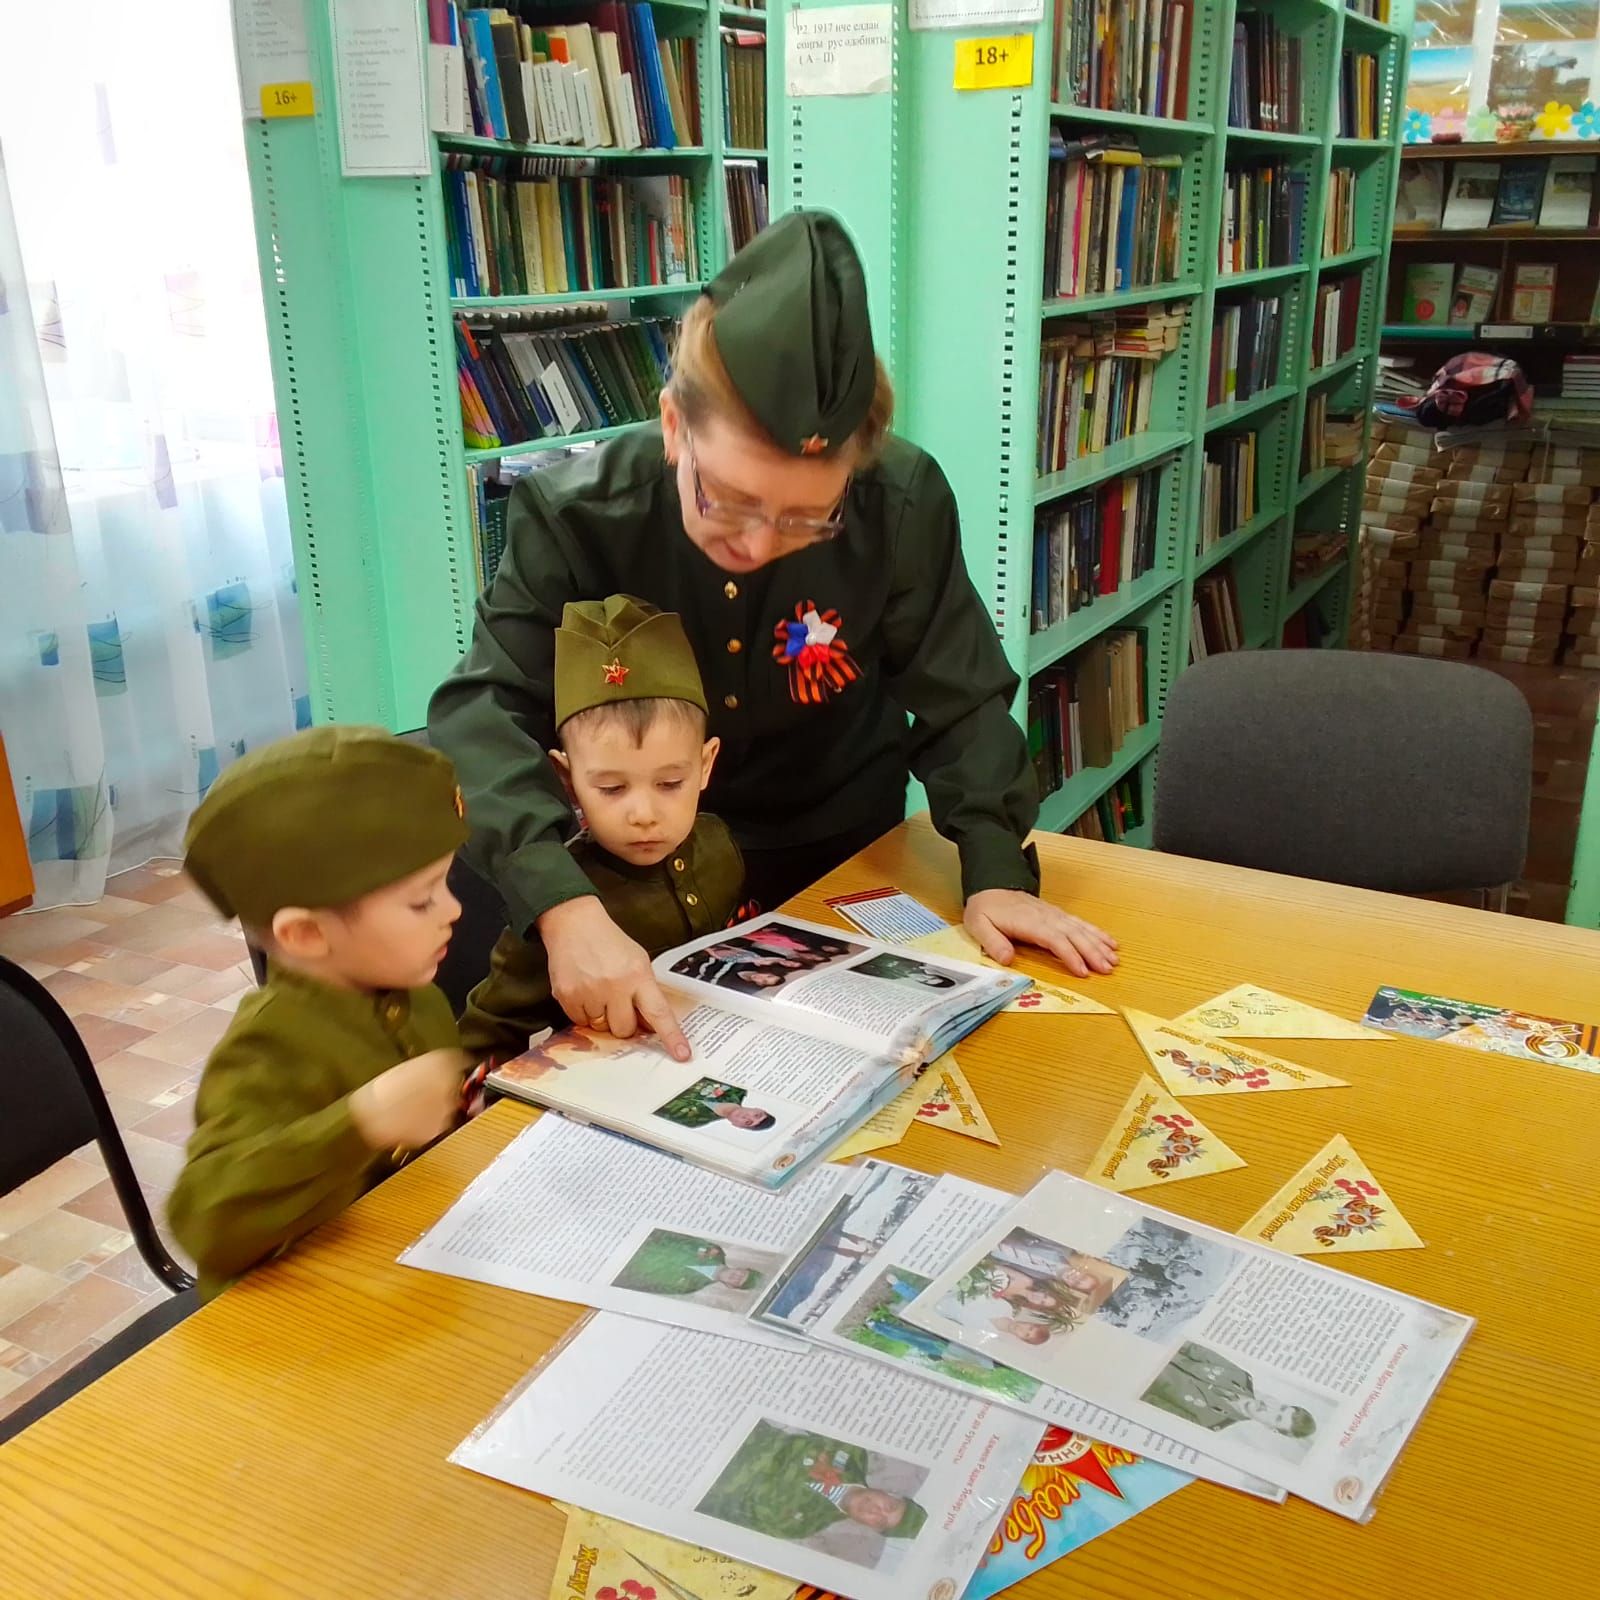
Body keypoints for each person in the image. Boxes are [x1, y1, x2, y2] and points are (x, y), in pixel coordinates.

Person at [428, 210, 1117, 1060]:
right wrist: (563, 906)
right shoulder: (576, 515)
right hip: (631, 876)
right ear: (675, 426)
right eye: (730, 500)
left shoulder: (900, 500)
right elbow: (484, 707)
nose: (756, 546)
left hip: (835, 855)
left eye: (805, 518)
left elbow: (962, 695)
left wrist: (995, 870)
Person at [168, 727, 471, 1299]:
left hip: (406, 1271)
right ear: (306, 933)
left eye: (446, 884)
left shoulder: (412, 993)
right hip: (300, 1321)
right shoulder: (269, 1047)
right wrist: (361, 1123)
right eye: (422, 899)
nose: (454, 910)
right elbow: (204, 1220)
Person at [456, 596, 743, 1061]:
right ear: (568, 779)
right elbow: (484, 1037)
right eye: (612, 788)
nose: (644, 813)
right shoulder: (554, 914)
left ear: (706, 765)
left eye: (670, 783)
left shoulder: (720, 847)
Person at [698, 1422, 929, 1545]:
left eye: (879, 1521)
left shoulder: (801, 1526)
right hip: (728, 1428)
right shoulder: (852, 1451)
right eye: (888, 1507)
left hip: (700, 1475)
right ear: (890, 1493)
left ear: (871, 1527)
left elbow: (720, 1518)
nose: (875, 1512)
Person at [1143, 1343, 1318, 1441]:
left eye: (1277, 1418)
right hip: (1156, 1345)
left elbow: (1148, 1400)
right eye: (1282, 1408)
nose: (1268, 1408)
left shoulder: (1208, 1422)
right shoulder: (1241, 1377)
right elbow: (1191, 1348)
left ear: (1271, 1428)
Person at [613, 1231, 762, 1297]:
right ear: (741, 1268)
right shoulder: (715, 1251)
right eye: (742, 1274)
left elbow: (646, 1286)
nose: (736, 1276)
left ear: (730, 1287)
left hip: (620, 1266)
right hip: (635, 1241)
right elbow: (677, 1237)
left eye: (737, 1281)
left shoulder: (690, 1287)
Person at [653, 1077, 776, 1131]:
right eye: (756, 1115)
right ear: (757, 1108)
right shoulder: (737, 1088)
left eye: (748, 1122)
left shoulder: (693, 1122)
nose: (747, 1117)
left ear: (737, 1126)